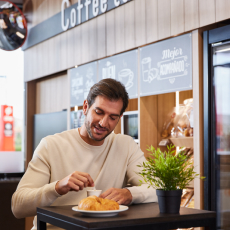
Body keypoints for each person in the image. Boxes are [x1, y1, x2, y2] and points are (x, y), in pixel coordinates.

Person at [12, 78, 157, 230]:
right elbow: (18, 207)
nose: (103, 122)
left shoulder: (126, 146)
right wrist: (56, 188)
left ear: (120, 118)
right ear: (86, 107)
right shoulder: (51, 145)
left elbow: (157, 188)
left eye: (112, 117)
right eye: (99, 112)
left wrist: (130, 194)